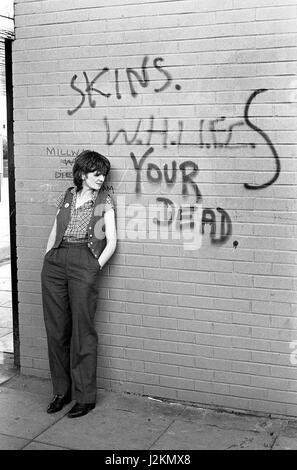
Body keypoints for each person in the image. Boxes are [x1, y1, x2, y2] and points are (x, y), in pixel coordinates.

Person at [41, 150, 117, 418]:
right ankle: (62, 392)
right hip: (56, 262)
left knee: (82, 330)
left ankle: (85, 397)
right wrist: (48, 255)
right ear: (83, 174)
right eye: (97, 173)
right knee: (56, 330)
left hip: (84, 262)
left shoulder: (103, 199)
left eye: (104, 174)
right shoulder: (68, 195)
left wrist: (94, 267)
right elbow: (55, 227)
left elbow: (113, 241)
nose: (101, 178)